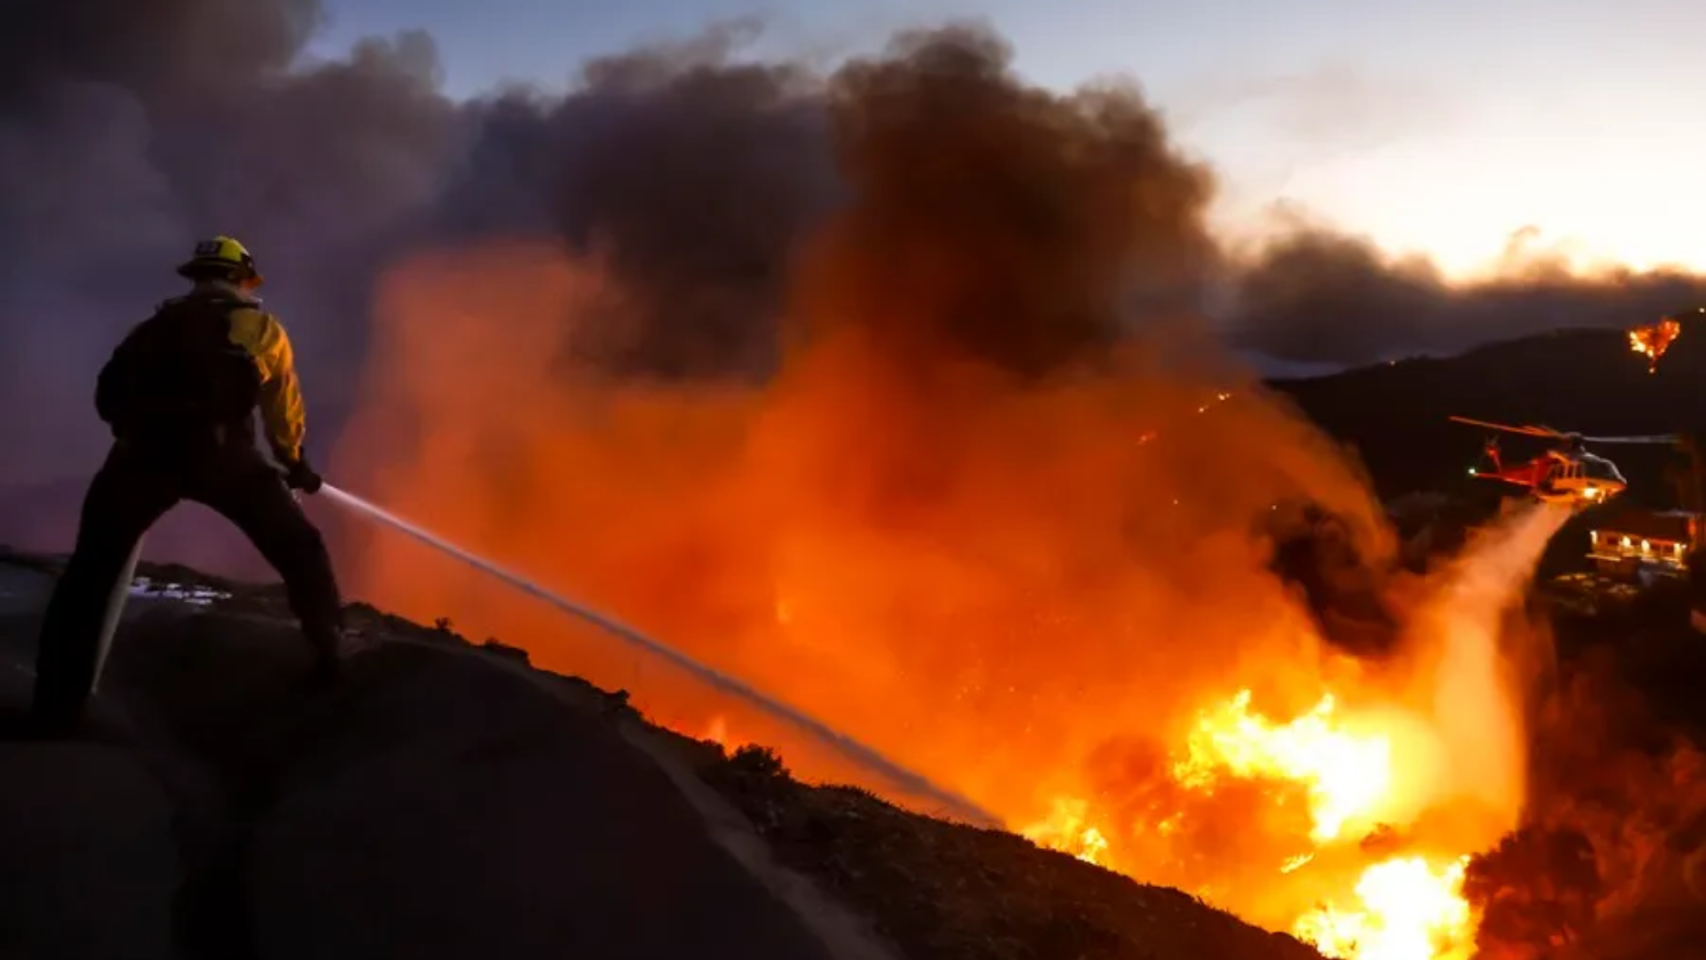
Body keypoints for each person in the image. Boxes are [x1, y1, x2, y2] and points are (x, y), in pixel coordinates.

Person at [26, 236, 346, 736]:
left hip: (137, 461)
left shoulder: (149, 330)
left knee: (88, 579)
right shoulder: (259, 326)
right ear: (243, 279)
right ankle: (330, 653)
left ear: (196, 277)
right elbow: (282, 408)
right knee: (299, 547)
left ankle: (56, 707)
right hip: (224, 460)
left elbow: (110, 392)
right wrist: (294, 462)